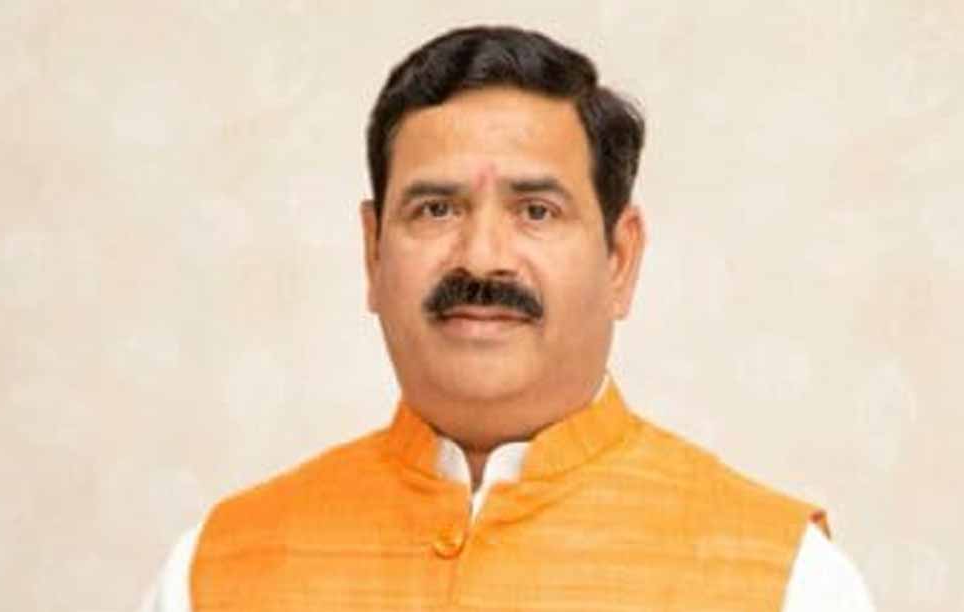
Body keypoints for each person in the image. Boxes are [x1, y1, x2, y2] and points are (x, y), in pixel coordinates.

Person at [140, 25, 874, 611]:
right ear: (372, 253)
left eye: (536, 211)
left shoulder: (783, 581)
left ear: (619, 259)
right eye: (436, 209)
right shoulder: (217, 572)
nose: (483, 258)